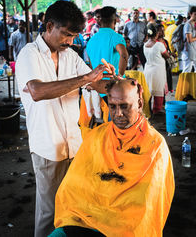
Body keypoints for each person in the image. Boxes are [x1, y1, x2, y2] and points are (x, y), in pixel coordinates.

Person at [15, 0, 115, 237]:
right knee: (49, 212)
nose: (70, 41)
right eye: (67, 34)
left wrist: (113, 81)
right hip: (47, 146)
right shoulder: (30, 54)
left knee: (72, 207)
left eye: (74, 36)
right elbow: (38, 91)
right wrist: (86, 79)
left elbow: (95, 83)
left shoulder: (69, 55)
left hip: (73, 144)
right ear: (49, 26)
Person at [51, 78, 175, 237]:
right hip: (84, 218)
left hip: (126, 225)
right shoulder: (97, 135)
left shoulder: (155, 145)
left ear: (139, 103)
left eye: (125, 106)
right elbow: (73, 185)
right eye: (113, 107)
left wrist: (113, 214)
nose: (118, 114)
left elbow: (148, 200)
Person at [85, 6, 128, 119]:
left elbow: (90, 64)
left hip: (98, 85)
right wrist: (120, 76)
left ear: (100, 20)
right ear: (114, 21)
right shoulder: (115, 37)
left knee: (111, 113)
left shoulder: (92, 40)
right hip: (113, 85)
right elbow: (123, 55)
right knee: (118, 116)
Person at [143, 24, 170, 114]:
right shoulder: (159, 45)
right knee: (158, 89)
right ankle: (157, 109)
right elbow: (167, 56)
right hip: (158, 71)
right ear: (157, 34)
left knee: (149, 89)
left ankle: (148, 109)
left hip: (148, 70)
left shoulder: (145, 45)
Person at [156, 24, 173, 93]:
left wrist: (171, 54)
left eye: (163, 31)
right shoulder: (155, 43)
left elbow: (168, 51)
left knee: (166, 81)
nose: (162, 33)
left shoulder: (165, 41)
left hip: (166, 65)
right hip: (159, 66)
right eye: (160, 31)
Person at [181, 6, 196, 72]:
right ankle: (184, 82)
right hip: (188, 53)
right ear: (190, 14)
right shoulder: (188, 25)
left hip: (193, 51)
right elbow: (189, 40)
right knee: (187, 71)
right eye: (195, 14)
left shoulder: (194, 24)